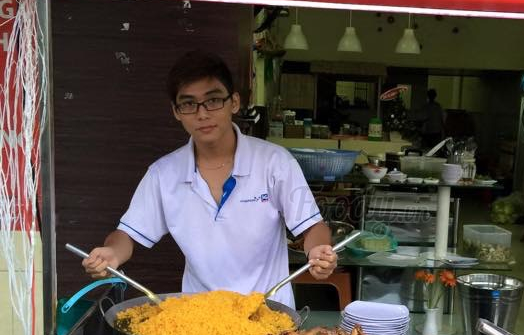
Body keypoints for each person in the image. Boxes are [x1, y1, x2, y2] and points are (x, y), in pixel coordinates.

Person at [81, 51, 337, 307]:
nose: (202, 114)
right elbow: (127, 235)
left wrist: (318, 251)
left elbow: (313, 227)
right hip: (201, 315)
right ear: (176, 112)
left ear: (234, 102)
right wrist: (111, 253)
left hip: (268, 313)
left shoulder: (275, 162)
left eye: (213, 100)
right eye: (188, 104)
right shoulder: (164, 174)